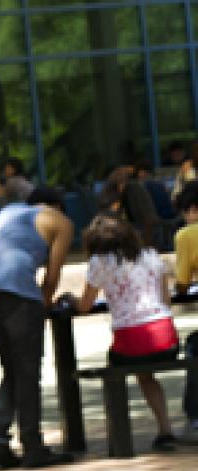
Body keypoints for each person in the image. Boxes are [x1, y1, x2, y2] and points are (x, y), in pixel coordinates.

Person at [0, 187, 76, 469]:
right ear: (57, 206)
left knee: (13, 369)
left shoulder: (8, 212)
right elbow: (52, 277)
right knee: (27, 371)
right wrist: (45, 305)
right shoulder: (61, 222)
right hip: (17, 292)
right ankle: (33, 446)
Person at [70, 214, 179, 451]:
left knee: (118, 368)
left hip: (130, 341)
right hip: (166, 338)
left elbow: (85, 305)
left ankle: (119, 438)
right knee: (146, 374)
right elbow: (166, 300)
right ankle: (165, 428)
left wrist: (70, 299)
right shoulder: (151, 255)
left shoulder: (100, 262)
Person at [171, 182, 198, 443]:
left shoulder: (187, 235)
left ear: (192, 209)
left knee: (194, 349)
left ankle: (195, 417)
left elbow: (182, 283)